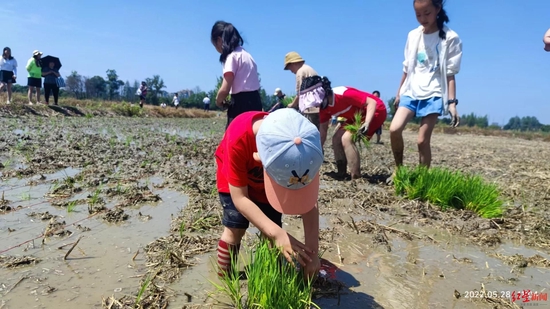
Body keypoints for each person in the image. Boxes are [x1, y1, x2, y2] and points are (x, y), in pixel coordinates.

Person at [215, 108, 322, 280]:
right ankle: (225, 279)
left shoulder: (306, 152)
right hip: (236, 184)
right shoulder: (239, 139)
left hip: (272, 182)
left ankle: (272, 276)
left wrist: (313, 251)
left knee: (271, 229)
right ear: (258, 158)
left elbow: (309, 203)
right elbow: (240, 198)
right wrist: (278, 234)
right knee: (235, 228)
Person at [389, 0, 462, 175]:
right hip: (411, 91)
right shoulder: (413, 35)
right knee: (394, 129)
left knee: (422, 141)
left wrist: (452, 104)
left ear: (437, 9)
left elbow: (450, 74)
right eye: (418, 14)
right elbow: (407, 68)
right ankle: (399, 170)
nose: (422, 18)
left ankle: (422, 179)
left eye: (427, 13)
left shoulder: (451, 38)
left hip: (434, 93)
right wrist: (399, 93)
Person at [318, 81, 387, 180]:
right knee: (336, 138)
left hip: (374, 111)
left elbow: (372, 102)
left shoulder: (344, 94)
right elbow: (323, 130)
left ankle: (356, 177)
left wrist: (367, 123)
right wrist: (318, 150)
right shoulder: (322, 108)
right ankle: (341, 173)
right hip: (355, 115)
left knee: (347, 139)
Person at [211, 21, 262, 129]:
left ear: (219, 41)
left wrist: (219, 101)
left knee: (234, 138)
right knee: (251, 136)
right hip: (256, 101)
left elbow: (225, 89)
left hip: (240, 103)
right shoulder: (247, 55)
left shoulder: (232, 57)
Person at [284, 52, 324, 130]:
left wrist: (292, 104)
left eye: (290, 68)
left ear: (293, 64)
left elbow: (300, 94)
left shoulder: (300, 72)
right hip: (319, 107)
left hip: (309, 109)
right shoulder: (309, 69)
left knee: (309, 132)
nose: (291, 71)